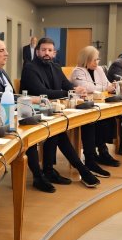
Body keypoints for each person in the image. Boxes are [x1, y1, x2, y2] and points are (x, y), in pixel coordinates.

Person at [21, 37, 101, 191]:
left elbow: (66, 85)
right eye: (43, 50)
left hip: (51, 111)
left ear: (54, 53)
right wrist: (68, 92)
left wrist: (77, 90)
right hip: (31, 112)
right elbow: (42, 92)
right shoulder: (29, 68)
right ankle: (76, 169)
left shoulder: (55, 66)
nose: (46, 53)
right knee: (57, 129)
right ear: (37, 52)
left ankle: (54, 170)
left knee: (58, 128)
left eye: (50, 50)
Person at [70, 46, 120, 173]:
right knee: (93, 121)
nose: (96, 63)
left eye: (97, 59)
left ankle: (103, 152)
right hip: (82, 107)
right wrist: (104, 88)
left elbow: (107, 84)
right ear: (85, 60)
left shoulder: (99, 69)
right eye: (93, 60)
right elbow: (86, 87)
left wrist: (112, 86)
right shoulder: (78, 71)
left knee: (107, 119)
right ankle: (91, 157)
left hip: (98, 104)